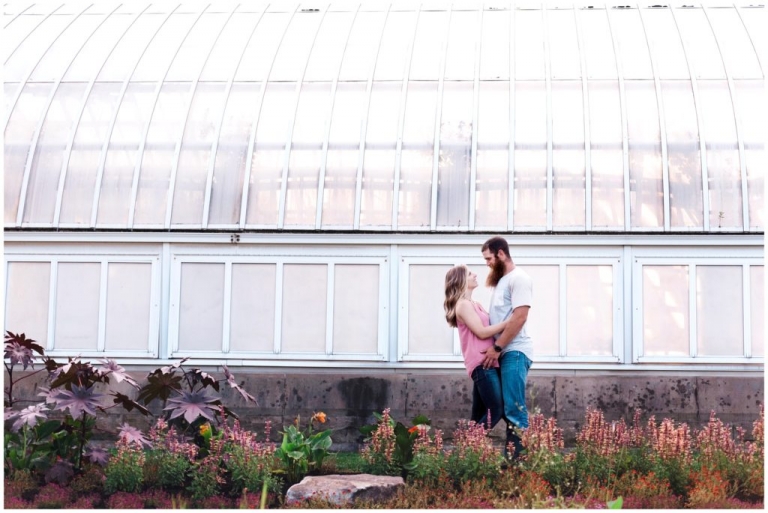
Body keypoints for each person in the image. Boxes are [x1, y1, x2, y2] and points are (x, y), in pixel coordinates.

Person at [480, 236, 533, 460]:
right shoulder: (501, 282)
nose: (487, 263)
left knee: (514, 408)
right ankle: (512, 460)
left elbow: (519, 317)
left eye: (489, 258)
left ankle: (518, 464)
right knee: (501, 407)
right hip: (503, 352)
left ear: (501, 253)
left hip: (514, 352)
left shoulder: (518, 278)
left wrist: (498, 348)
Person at [444, 265, 508, 429]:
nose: (475, 275)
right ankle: (472, 443)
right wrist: (510, 322)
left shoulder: (475, 304)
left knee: (478, 415)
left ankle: (467, 451)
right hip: (482, 364)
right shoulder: (463, 305)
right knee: (496, 409)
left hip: (488, 362)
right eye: (470, 273)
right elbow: (481, 332)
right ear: (461, 279)